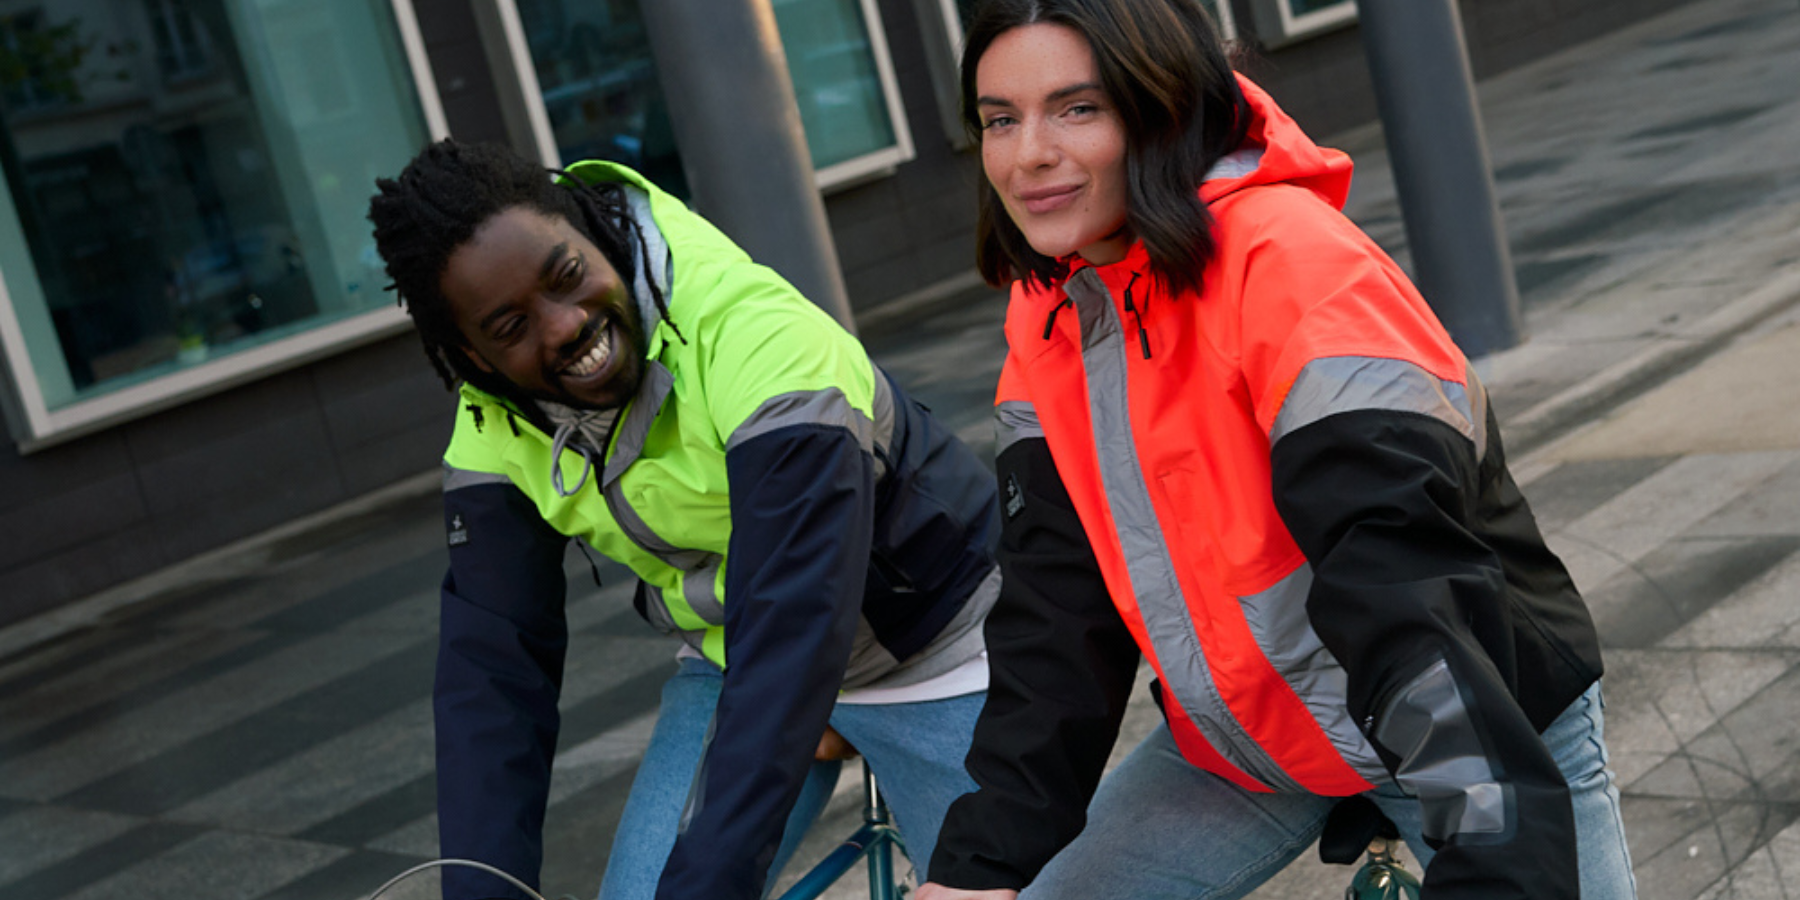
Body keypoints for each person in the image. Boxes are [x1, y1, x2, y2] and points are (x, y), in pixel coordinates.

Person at [917, 1, 1636, 899]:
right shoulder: (1051, 314)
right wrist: (977, 867)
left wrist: (1494, 858)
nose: (1028, 155)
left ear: (1162, 104)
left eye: (1078, 108)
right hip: (1254, 744)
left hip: (1464, 719)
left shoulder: (1291, 265)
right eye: (998, 120)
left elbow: (1408, 594)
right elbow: (1056, 619)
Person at [367, 139, 999, 900]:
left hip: (935, 640)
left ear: (591, 231)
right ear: (469, 356)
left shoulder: (752, 335)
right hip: (737, 661)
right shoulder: (491, 428)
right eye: (509, 326)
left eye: (566, 275)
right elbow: (493, 672)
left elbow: (793, 625)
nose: (563, 325)